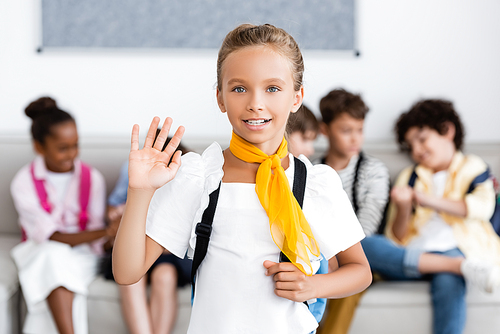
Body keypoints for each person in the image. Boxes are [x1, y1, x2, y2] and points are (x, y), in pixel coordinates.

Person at [112, 23, 372, 334]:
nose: (255, 103)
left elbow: (360, 271)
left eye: (272, 88)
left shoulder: (315, 183)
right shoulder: (199, 176)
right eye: (239, 88)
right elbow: (127, 272)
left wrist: (313, 285)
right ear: (220, 98)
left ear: (296, 97)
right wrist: (139, 191)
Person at [362, 99, 500, 334]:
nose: (416, 150)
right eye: (410, 145)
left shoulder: (473, 167)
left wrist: (425, 199)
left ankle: (454, 265)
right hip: (414, 257)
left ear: (447, 130)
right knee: (364, 245)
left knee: (448, 281)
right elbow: (395, 236)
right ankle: (461, 267)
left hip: (458, 248)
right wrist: (404, 207)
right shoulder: (410, 175)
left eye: (422, 139)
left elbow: (481, 208)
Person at [10, 97, 114, 334]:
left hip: (83, 255)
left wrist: (111, 233)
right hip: (38, 250)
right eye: (62, 148)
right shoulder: (23, 182)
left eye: (75, 145)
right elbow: (49, 236)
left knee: (58, 271)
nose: (72, 154)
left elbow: (96, 237)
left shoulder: (92, 178)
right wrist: (106, 231)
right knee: (53, 256)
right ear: (39, 147)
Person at [316, 88, 390, 334]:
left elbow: (366, 228)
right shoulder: (311, 170)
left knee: (352, 276)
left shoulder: (374, 170)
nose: (355, 139)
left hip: (364, 253)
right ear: (324, 129)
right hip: (321, 254)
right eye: (346, 131)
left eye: (360, 130)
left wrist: (338, 259)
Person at [105, 134, 192, 334]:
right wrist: (120, 211)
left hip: (168, 255)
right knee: (131, 281)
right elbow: (113, 210)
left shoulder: (186, 176)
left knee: (165, 276)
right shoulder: (135, 170)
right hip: (135, 246)